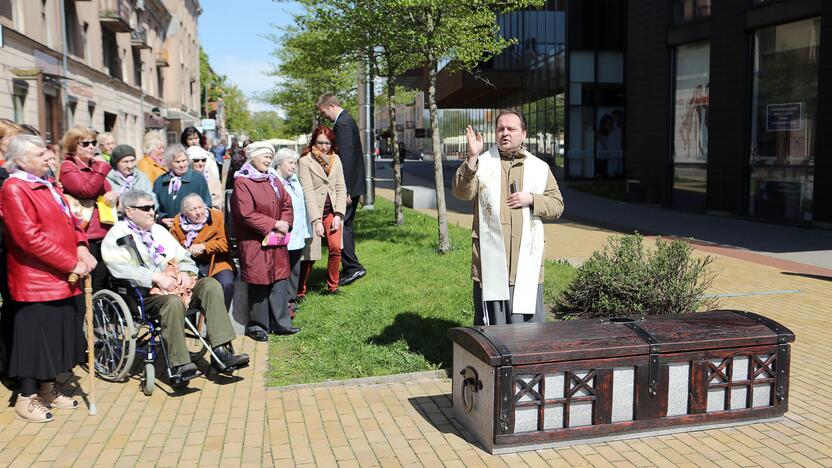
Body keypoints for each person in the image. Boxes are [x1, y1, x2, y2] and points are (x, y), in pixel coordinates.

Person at [101, 189, 248, 377]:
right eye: (146, 208)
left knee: (210, 285)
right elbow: (119, 268)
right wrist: (155, 277)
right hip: (145, 295)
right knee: (172, 302)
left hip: (177, 287)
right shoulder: (116, 235)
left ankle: (221, 351)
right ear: (129, 211)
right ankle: (179, 364)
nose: (152, 212)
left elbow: (184, 257)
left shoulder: (158, 230)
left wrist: (186, 273)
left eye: (153, 207)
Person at [1, 134, 96, 422]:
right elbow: (28, 238)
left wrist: (81, 246)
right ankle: (27, 397)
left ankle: (48, 389)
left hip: (63, 277)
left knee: (57, 337)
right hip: (36, 280)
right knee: (34, 340)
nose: (47, 157)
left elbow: (71, 220)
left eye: (47, 152)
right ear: (19, 160)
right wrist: (70, 263)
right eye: (40, 154)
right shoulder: (14, 188)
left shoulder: (49, 185)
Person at [452, 109, 564, 326]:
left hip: (527, 266)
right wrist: (472, 158)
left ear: (523, 134)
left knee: (529, 334)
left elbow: (557, 205)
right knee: (492, 332)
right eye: (500, 129)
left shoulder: (539, 168)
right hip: (491, 264)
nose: (505, 133)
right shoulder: (482, 163)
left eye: (511, 129)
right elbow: (461, 193)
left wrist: (532, 199)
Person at [230, 142, 297, 341]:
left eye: (270, 156)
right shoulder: (243, 182)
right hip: (255, 241)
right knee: (258, 281)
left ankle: (281, 323)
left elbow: (287, 202)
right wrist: (274, 223)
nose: (268, 160)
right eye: (264, 156)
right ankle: (258, 325)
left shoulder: (273, 180)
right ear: (253, 158)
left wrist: (285, 222)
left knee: (279, 279)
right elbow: (245, 214)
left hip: (276, 239)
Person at [315, 94, 366, 286]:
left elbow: (345, 160)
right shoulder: (346, 120)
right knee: (345, 226)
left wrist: (343, 191)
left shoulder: (343, 124)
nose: (324, 116)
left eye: (323, 111)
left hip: (347, 188)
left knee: (340, 225)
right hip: (351, 186)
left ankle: (353, 268)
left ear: (332, 106)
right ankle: (352, 267)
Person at [59, 125, 117, 292]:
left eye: (93, 142)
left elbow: (105, 190)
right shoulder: (68, 167)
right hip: (86, 233)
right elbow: (86, 190)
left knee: (105, 278)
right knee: (91, 282)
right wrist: (101, 168)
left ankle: (104, 315)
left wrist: (115, 195)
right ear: (73, 146)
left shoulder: (95, 165)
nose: (91, 146)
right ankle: (91, 317)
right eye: (85, 144)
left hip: (105, 229)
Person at [297, 126, 347, 296]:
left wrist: (339, 214)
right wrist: (316, 220)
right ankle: (300, 290)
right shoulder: (305, 161)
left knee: (335, 248)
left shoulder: (336, 159)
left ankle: (333, 286)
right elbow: (307, 192)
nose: (324, 146)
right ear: (314, 142)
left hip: (333, 210)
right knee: (310, 253)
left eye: (327, 143)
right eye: (320, 143)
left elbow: (341, 188)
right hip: (313, 213)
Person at [170, 193, 235, 311]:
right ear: (184, 212)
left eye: (200, 207)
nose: (198, 212)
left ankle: (220, 319)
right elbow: (173, 248)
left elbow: (225, 244)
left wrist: (204, 246)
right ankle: (190, 324)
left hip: (217, 262)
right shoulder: (177, 224)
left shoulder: (217, 217)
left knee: (226, 284)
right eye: (193, 209)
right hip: (190, 264)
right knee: (185, 288)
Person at [272, 148, 311, 316]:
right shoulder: (273, 180)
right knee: (282, 266)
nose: (293, 166)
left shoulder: (294, 180)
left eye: (295, 163)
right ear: (279, 163)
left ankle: (291, 299)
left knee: (295, 266)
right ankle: (281, 302)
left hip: (298, 231)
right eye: (290, 163)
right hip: (281, 231)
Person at [153, 144, 211, 228]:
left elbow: (207, 204)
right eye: (177, 162)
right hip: (168, 229)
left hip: (193, 229)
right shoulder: (160, 182)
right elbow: (155, 207)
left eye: (184, 161)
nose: (182, 165)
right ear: (170, 163)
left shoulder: (198, 179)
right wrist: (161, 219)